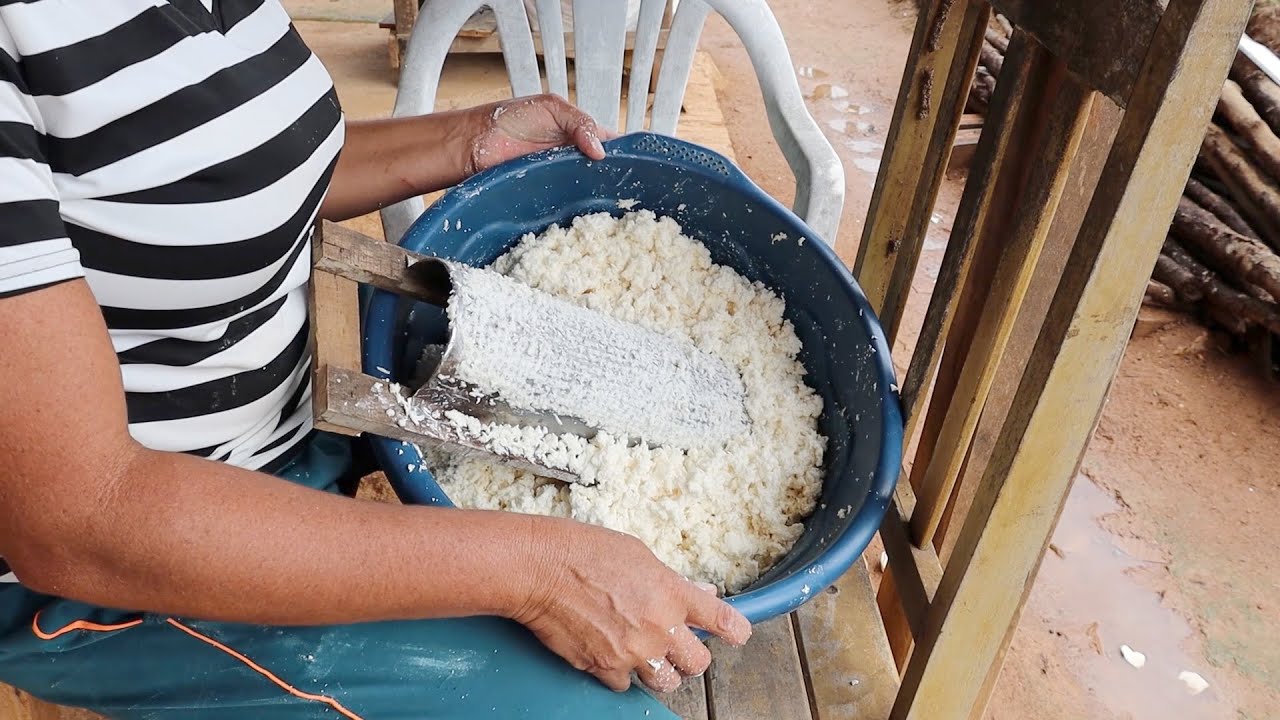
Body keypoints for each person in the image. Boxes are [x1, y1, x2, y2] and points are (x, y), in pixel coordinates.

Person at [0, 1, 752, 718]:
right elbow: (79, 522)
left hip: (305, 397)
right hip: (138, 561)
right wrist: (539, 570)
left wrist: (469, 141)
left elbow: (232, 178)